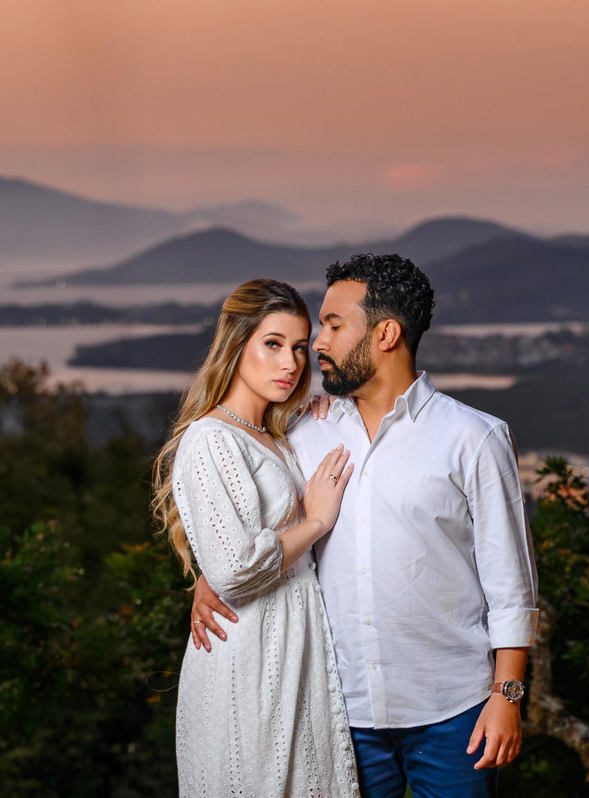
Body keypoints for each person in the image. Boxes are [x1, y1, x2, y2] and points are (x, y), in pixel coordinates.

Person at [192, 254, 539, 798]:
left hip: (454, 711)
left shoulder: (475, 438)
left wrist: (508, 695)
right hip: (337, 711)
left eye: (332, 326)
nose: (317, 345)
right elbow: (252, 520)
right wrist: (211, 577)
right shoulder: (303, 432)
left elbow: (510, 584)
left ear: (386, 333)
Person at [151, 278, 360, 797]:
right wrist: (315, 522)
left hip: (291, 648)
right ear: (236, 343)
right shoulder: (210, 439)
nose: (290, 363)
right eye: (271, 344)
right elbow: (236, 570)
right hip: (247, 660)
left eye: (296, 347)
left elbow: (236, 554)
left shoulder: (275, 433)